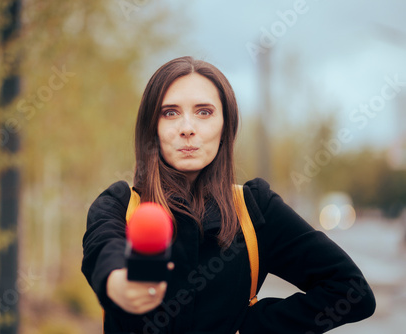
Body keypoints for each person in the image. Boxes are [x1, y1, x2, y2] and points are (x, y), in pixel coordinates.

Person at [81, 56, 376, 333]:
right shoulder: (120, 205)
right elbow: (104, 251)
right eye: (170, 113)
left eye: (204, 112)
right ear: (151, 128)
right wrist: (119, 284)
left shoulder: (254, 208)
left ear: (225, 126)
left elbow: (351, 291)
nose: (187, 128)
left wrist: (248, 327)